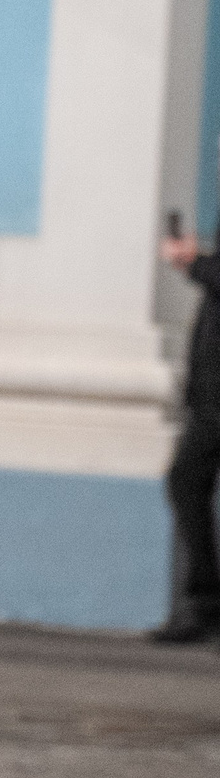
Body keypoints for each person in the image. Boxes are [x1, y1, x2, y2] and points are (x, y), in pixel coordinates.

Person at [157, 208, 220, 642]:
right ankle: (203, 604)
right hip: (211, 398)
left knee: (186, 481)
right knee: (187, 482)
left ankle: (205, 604)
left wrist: (194, 261)